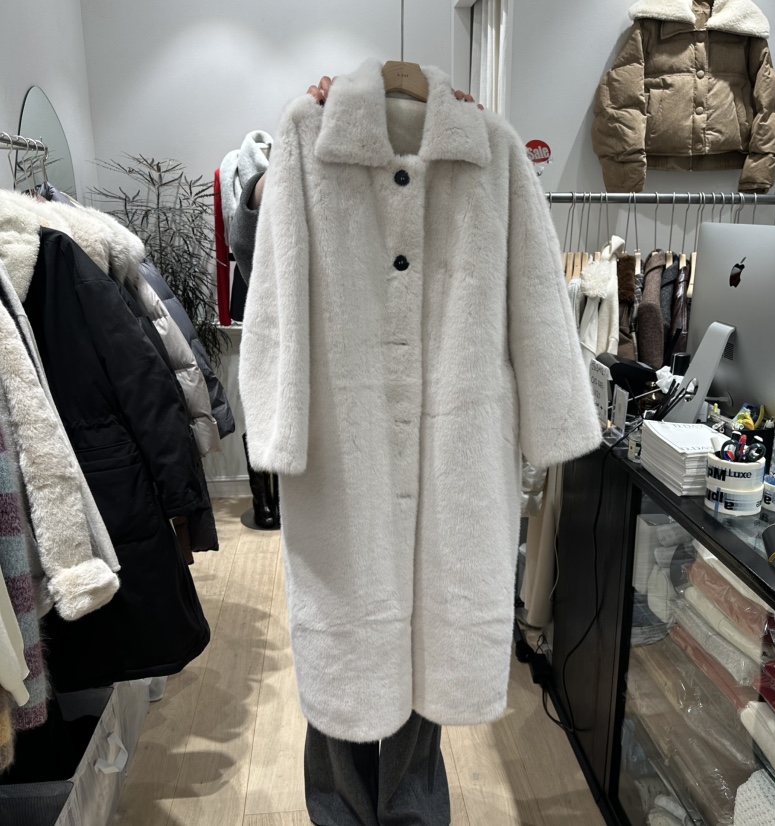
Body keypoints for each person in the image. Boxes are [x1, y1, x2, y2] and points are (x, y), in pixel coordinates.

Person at [232, 74, 482, 826]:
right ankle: (340, 811)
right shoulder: (308, 139)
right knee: (340, 641)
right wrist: (279, 429)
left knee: (421, 644)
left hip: (440, 448)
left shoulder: (474, 152)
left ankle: (413, 812)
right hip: (338, 450)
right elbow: (260, 271)